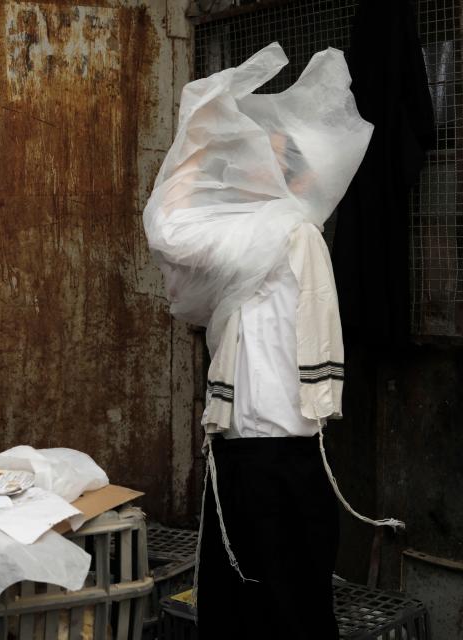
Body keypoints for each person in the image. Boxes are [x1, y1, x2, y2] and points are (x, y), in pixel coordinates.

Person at [143, 44, 401, 640]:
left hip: (259, 451)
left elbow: (165, 227)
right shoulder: (293, 231)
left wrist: (200, 137)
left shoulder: (267, 232)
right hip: (291, 448)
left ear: (283, 177)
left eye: (257, 157)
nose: (241, 166)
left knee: (257, 604)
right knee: (297, 599)